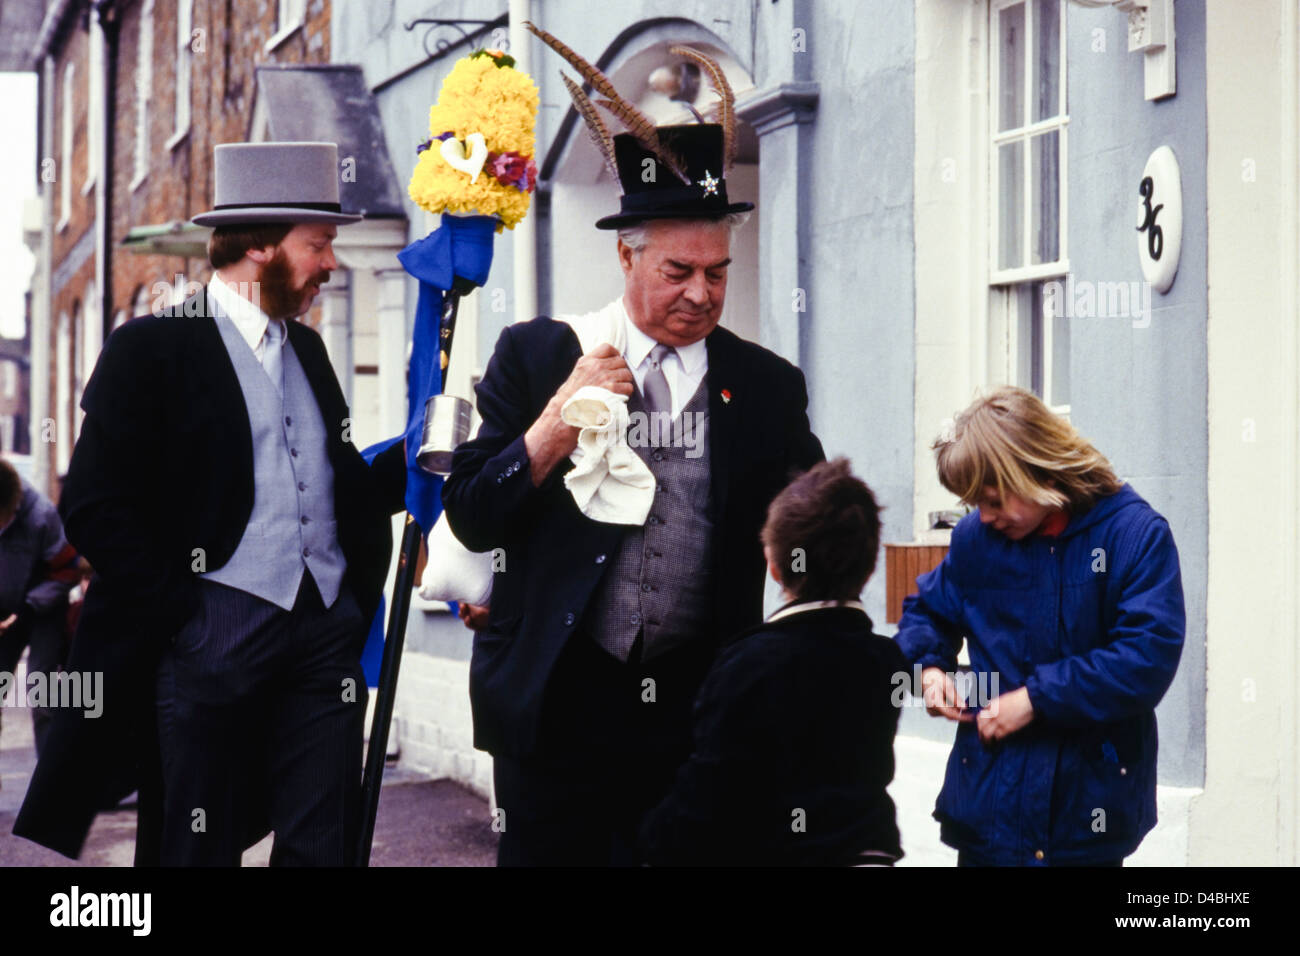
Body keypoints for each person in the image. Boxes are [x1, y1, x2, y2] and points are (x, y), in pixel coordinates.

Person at [442, 119, 825, 865]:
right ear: (625, 253)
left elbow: (810, 528)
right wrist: (557, 420)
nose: (701, 292)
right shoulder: (540, 353)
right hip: (557, 702)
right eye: (678, 270)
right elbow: (472, 509)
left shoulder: (766, 386)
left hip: (698, 708)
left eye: (717, 272)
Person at [13, 142, 407, 865]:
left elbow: (337, 481)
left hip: (321, 630)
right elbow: (96, 503)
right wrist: (183, 607)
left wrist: (426, 460)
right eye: (317, 244)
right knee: (194, 844)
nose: (330, 263)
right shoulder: (152, 349)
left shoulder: (309, 352)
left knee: (326, 837)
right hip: (209, 627)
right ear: (259, 246)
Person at [895, 386, 1185, 866]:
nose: (984, 517)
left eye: (992, 499)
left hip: (1084, 821)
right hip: (989, 818)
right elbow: (927, 610)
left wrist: (1034, 701)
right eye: (972, 503)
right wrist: (929, 668)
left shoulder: (1134, 536)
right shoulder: (976, 539)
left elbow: (1145, 661)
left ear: (1036, 470)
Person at [638, 457, 905, 866]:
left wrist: (652, 842)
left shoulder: (745, 665)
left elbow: (709, 790)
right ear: (868, 570)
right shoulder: (886, 661)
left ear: (774, 567)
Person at [0, 457, 79, 758]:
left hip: (43, 614)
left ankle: (49, 784)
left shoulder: (41, 516)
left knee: (42, 694)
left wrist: (31, 607)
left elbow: (69, 568)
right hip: (5, 615)